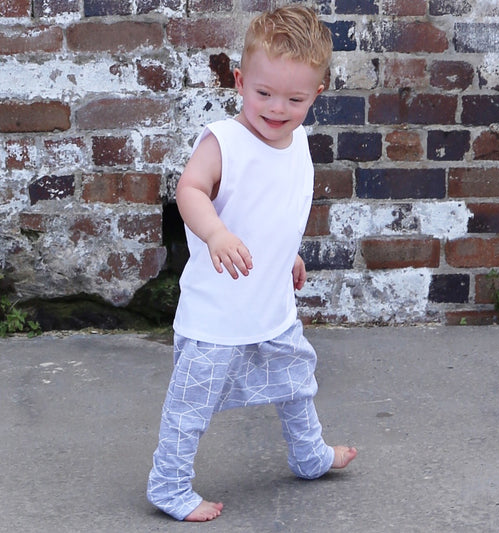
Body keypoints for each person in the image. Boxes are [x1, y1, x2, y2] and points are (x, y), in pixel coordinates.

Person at [147, 5, 357, 522]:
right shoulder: (226, 141)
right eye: (263, 93)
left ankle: (308, 454)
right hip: (217, 315)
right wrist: (215, 232)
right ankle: (168, 485)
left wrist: (289, 255)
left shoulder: (298, 143)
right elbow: (190, 190)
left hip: (271, 305)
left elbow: (273, 207)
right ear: (240, 81)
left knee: (297, 382)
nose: (277, 108)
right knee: (189, 408)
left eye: (295, 98)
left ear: (317, 95)